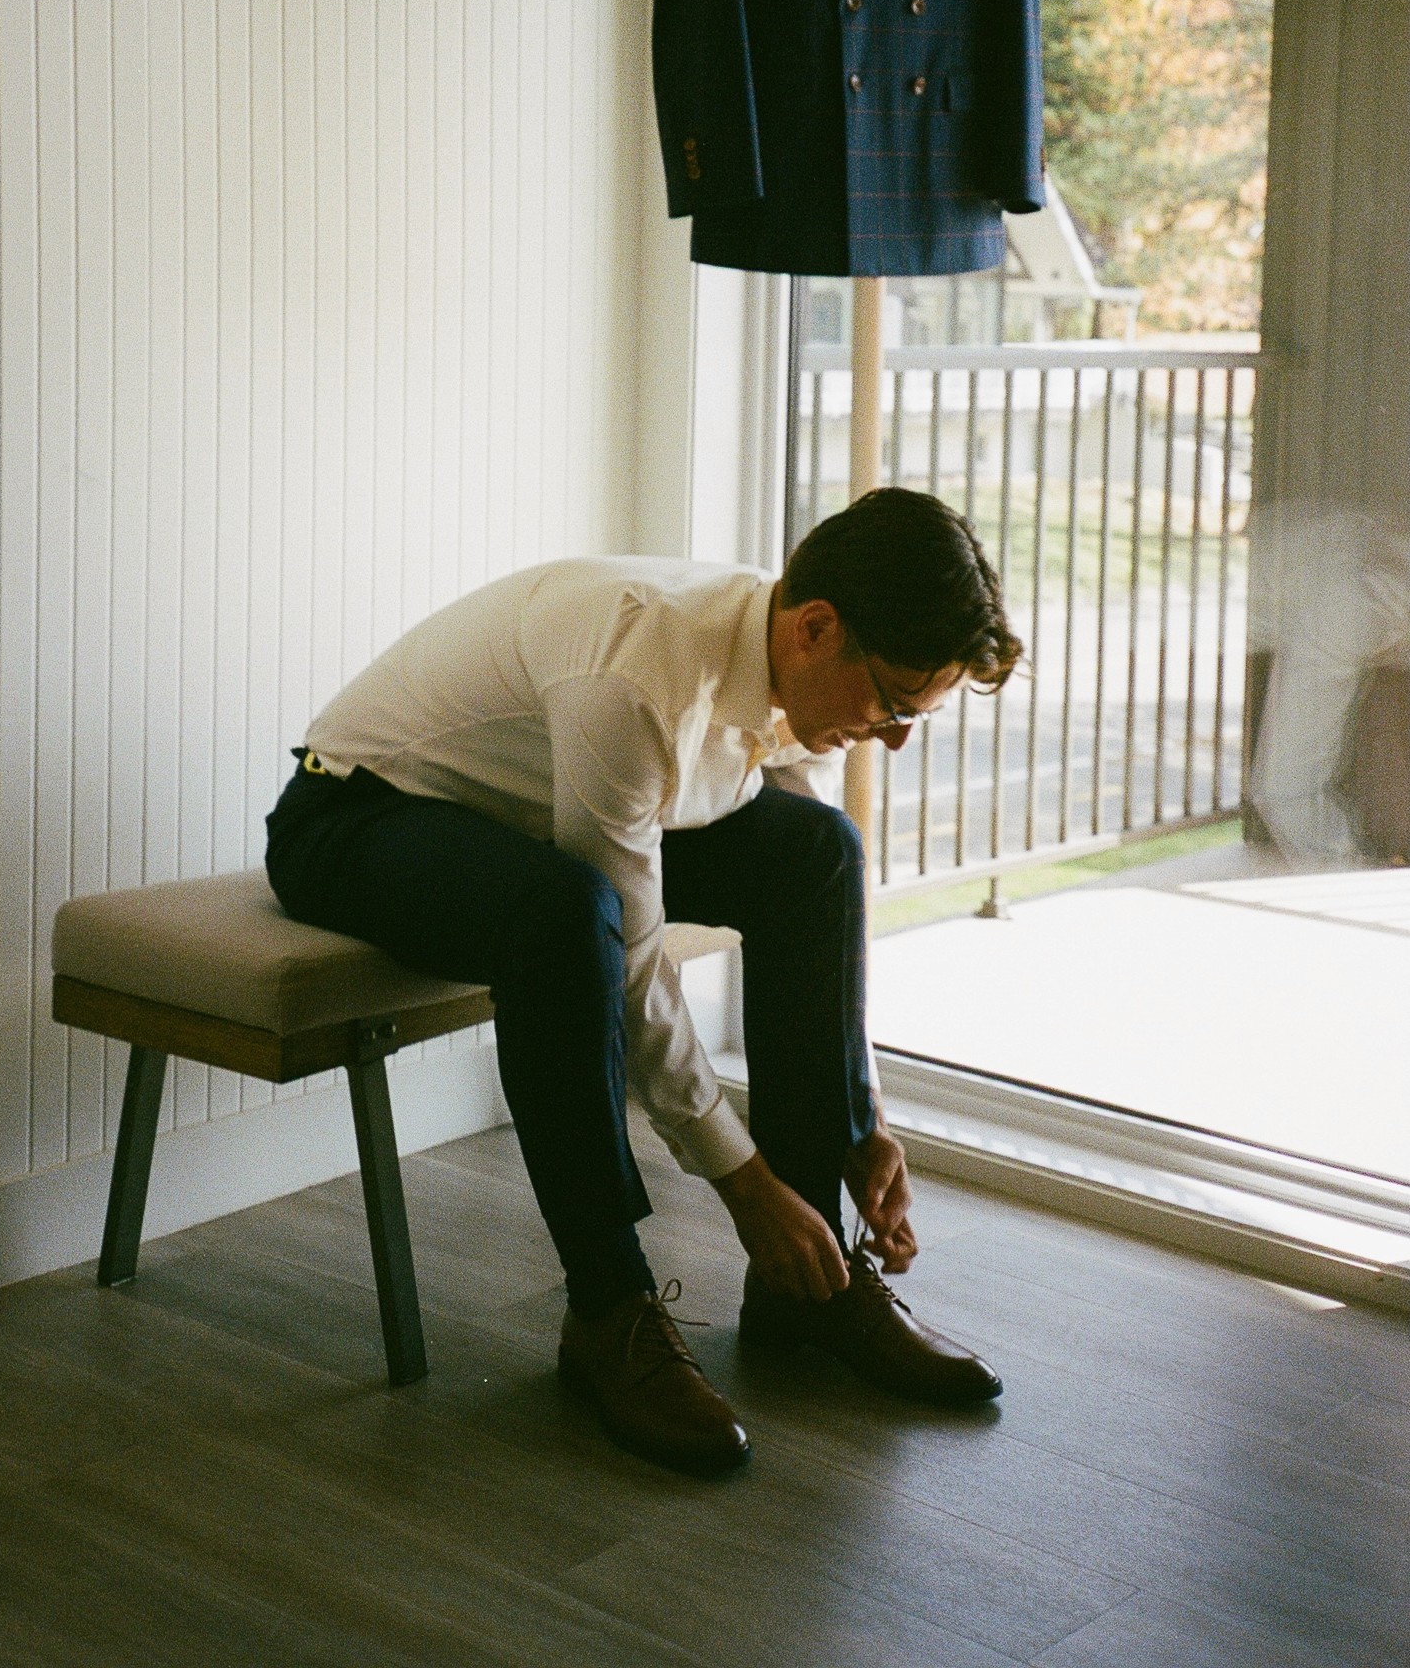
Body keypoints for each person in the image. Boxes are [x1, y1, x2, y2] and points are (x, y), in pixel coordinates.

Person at [266, 486, 1022, 1474]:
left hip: (522, 815)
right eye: (893, 703)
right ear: (816, 628)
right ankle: (607, 1310)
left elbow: (792, 858)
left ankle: (808, 1287)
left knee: (820, 851)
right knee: (566, 915)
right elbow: (628, 953)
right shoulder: (635, 676)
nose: (894, 737)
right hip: (352, 819)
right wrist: (742, 1185)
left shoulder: (780, 655)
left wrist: (859, 1119)